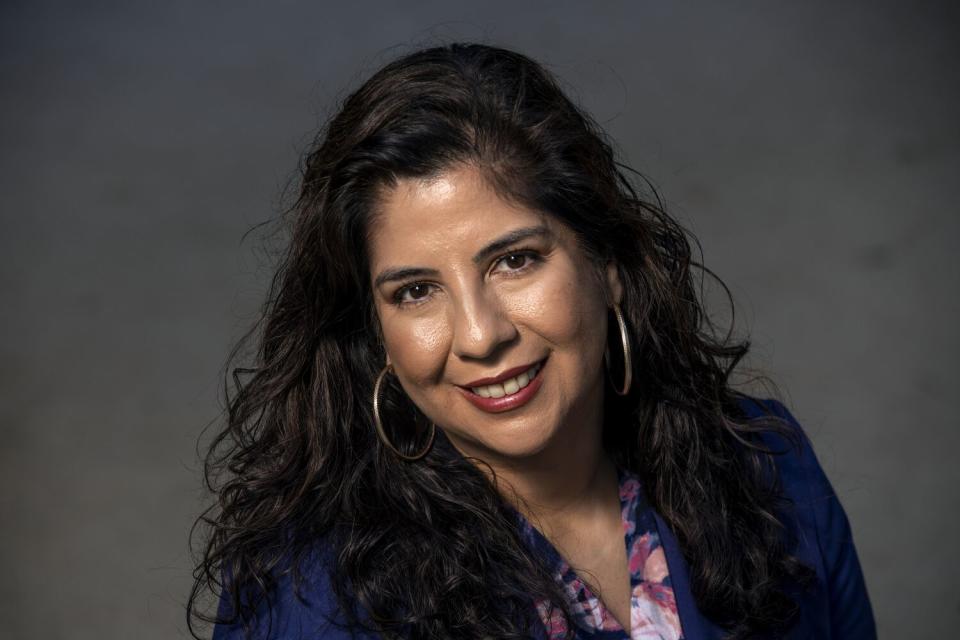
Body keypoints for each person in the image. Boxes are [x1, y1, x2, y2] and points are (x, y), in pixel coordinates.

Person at [188, 43, 876, 639]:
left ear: (606, 265)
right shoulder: (307, 600)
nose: (481, 335)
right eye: (415, 291)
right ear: (376, 335)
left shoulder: (766, 469)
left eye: (514, 260)